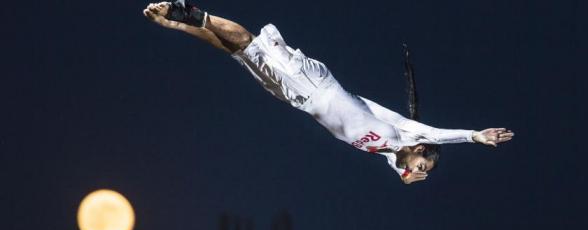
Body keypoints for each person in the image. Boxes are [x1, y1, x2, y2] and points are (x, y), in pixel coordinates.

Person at [143, 1, 514, 184]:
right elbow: (436, 135)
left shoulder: (386, 154)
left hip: (299, 100)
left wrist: (407, 176)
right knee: (250, 44)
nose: (422, 173)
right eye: (424, 166)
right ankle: (193, 13)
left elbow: (400, 170)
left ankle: (176, 23)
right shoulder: (406, 133)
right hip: (315, 84)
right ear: (418, 149)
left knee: (236, 52)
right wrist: (474, 136)